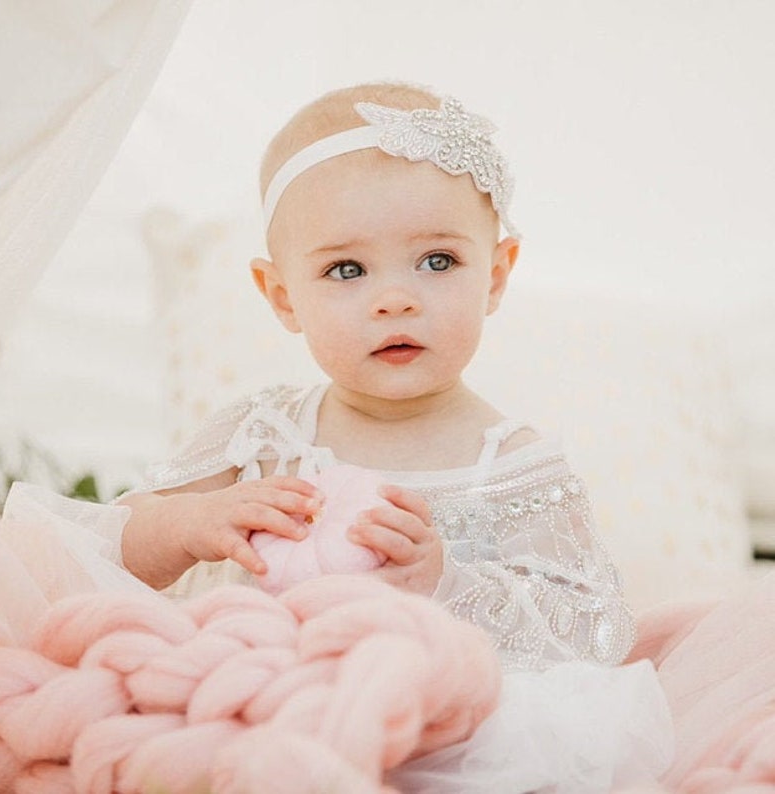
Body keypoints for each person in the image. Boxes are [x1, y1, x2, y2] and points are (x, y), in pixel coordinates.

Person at [108, 82, 674, 790]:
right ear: (283, 297)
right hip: (252, 708)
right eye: (346, 269)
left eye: (438, 261)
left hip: (444, 744)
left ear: (495, 275)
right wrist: (193, 522)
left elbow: (593, 636)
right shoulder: (261, 434)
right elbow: (104, 550)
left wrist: (446, 581)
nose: (396, 297)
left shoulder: (514, 463)